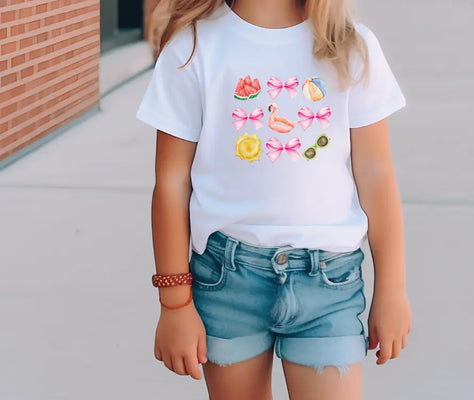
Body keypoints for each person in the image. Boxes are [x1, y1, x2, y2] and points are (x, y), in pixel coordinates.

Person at [136, 0, 412, 398]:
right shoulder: (193, 46)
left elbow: (376, 174)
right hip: (227, 280)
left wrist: (392, 289)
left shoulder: (350, 46)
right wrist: (174, 304)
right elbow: (171, 181)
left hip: (328, 284)